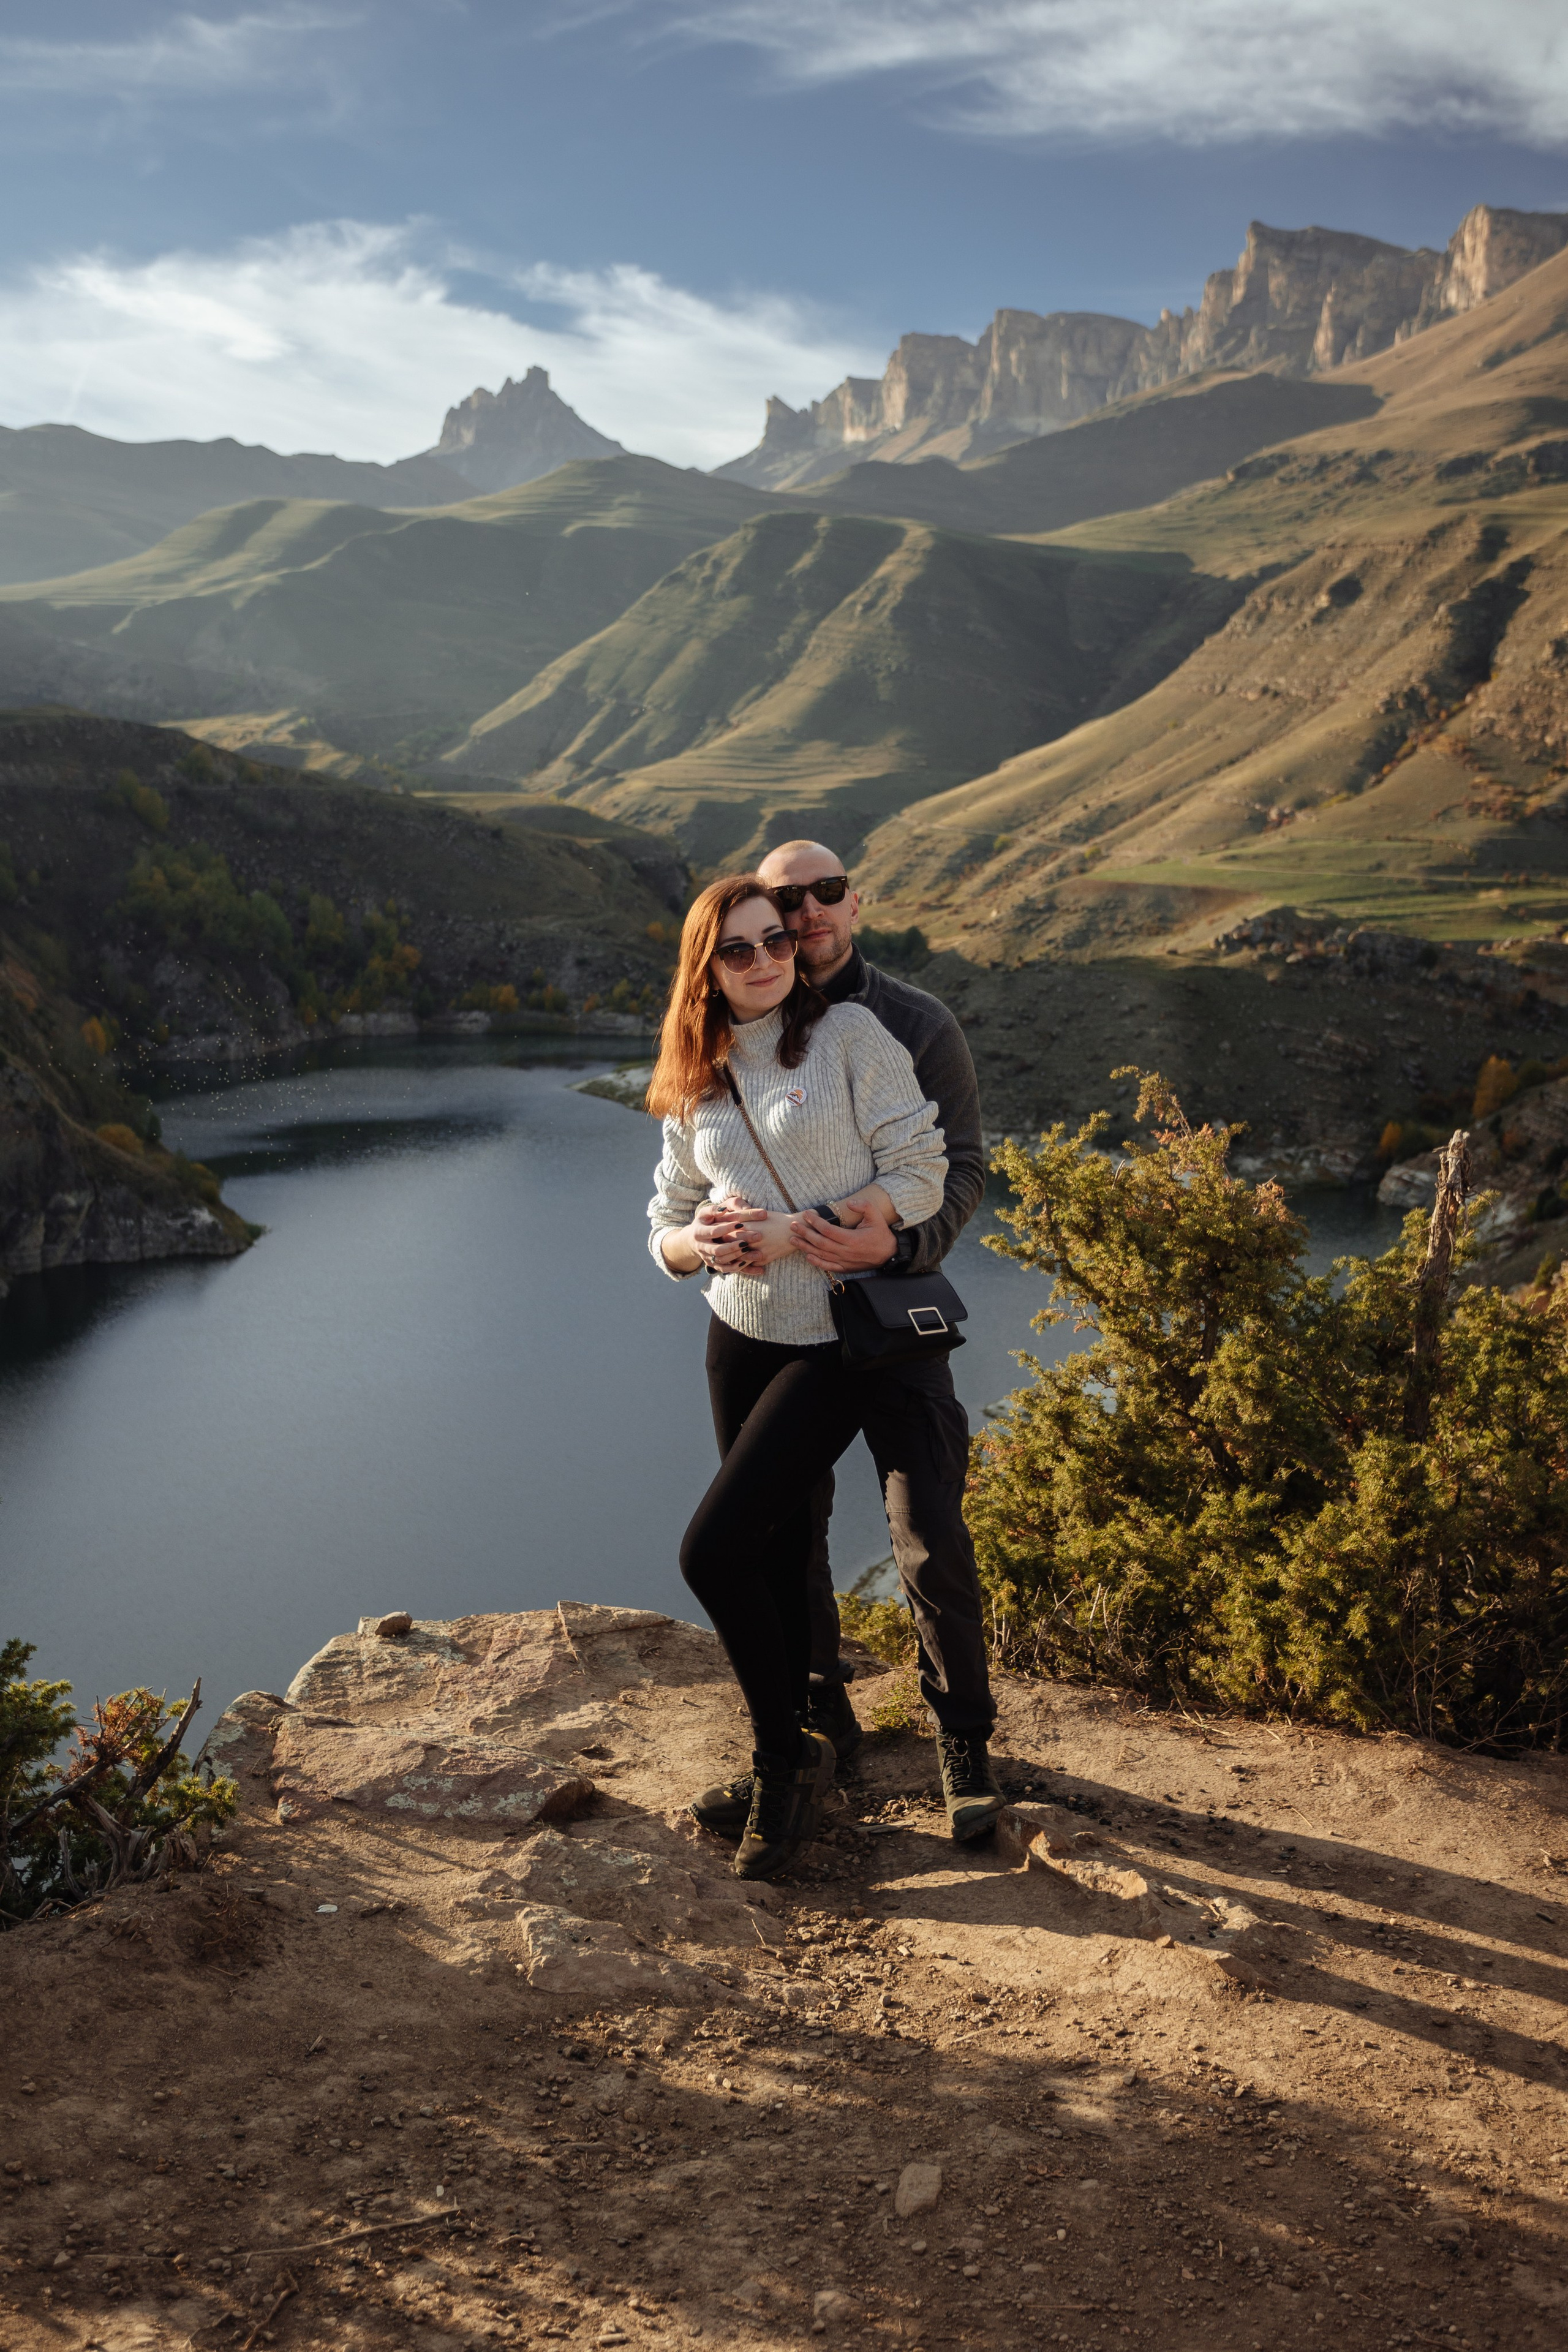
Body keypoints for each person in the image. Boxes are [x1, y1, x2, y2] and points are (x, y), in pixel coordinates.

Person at [647, 873, 951, 1881]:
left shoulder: (851, 1037)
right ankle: (793, 1750)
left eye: (775, 940)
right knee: (772, 1556)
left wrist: (793, 1232)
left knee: (711, 1551)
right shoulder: (698, 1070)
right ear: (707, 969)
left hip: (832, 1341)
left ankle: (784, 1765)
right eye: (738, 950)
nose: (766, 960)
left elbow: (921, 1172)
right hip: (738, 1334)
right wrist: (696, 1244)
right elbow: (666, 1219)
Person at [747, 837, 1003, 1842]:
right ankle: (822, 1721)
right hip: (783, 1328)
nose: (808, 910)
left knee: (929, 1527)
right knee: (788, 1528)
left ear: (855, 904)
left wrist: (896, 1244)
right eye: (786, 897)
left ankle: (964, 1743)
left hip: (893, 1323)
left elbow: (964, 1166)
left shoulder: (918, 1022)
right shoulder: (740, 1025)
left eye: (827, 890)